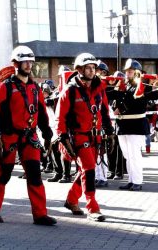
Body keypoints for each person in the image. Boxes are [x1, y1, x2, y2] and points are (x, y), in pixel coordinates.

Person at [0, 46, 57, 226]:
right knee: (4, 173)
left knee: (34, 175)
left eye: (30, 62)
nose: (28, 65)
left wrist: (46, 130)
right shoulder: (4, 87)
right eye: (25, 61)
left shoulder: (34, 87)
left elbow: (41, 111)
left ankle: (40, 214)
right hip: (9, 137)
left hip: (29, 137)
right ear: (16, 63)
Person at [55, 53, 114, 222]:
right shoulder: (69, 91)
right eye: (88, 68)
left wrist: (109, 131)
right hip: (78, 138)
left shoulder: (100, 87)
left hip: (95, 137)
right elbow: (60, 118)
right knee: (88, 169)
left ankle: (71, 200)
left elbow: (104, 110)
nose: (92, 71)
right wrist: (63, 139)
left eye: (93, 68)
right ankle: (92, 208)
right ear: (79, 69)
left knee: (84, 171)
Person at [106, 59, 158, 191]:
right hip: (123, 125)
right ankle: (131, 180)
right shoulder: (124, 85)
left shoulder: (142, 85)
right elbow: (116, 96)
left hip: (136, 124)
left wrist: (121, 108)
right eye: (126, 71)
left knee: (134, 155)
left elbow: (136, 101)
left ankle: (137, 181)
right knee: (127, 155)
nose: (127, 74)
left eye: (130, 71)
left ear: (136, 72)